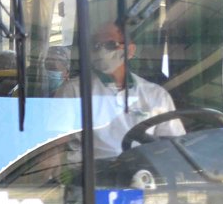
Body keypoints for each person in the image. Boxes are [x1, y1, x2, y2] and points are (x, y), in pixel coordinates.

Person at [57, 21, 183, 159]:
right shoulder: (73, 91)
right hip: (95, 176)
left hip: (145, 174)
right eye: (96, 46)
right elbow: (59, 147)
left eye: (110, 45)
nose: (101, 51)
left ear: (129, 51)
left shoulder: (156, 95)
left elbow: (174, 146)